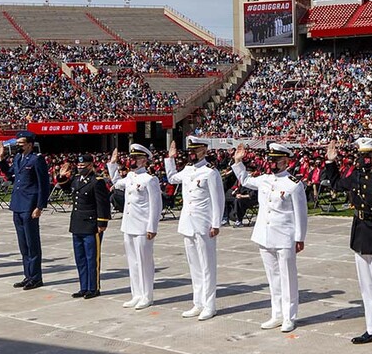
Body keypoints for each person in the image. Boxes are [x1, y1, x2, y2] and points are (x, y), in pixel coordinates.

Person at [323, 137, 372, 351]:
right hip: (360, 235)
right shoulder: (356, 176)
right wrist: (331, 163)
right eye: (362, 155)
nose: (365, 159)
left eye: (369, 155)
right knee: (367, 289)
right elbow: (337, 184)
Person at [232, 143, 308, 333]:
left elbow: (301, 213)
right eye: (271, 160)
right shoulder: (264, 180)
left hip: (284, 236)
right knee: (273, 278)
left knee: (287, 278)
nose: (273, 163)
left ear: (286, 161)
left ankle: (289, 316)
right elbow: (245, 179)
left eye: (277, 160)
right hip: (265, 235)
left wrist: (300, 237)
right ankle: (277, 314)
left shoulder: (293, 184)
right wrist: (238, 161)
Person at [165, 137, 224, 320]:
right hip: (188, 223)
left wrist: (216, 223)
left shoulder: (210, 172)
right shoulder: (188, 169)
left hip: (204, 224)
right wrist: (171, 159)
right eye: (190, 150)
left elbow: (218, 199)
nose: (192, 153)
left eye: (196, 150)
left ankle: (209, 305)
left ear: (204, 151)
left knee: (207, 267)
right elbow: (172, 178)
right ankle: (197, 302)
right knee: (194, 266)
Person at [108, 145, 163, 310]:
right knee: (132, 262)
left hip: (142, 226)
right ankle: (136, 294)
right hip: (129, 225)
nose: (131, 161)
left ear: (144, 160)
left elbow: (156, 205)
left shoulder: (149, 179)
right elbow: (117, 183)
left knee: (144, 262)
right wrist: (112, 164)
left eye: (135, 158)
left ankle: (147, 295)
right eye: (131, 157)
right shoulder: (131, 176)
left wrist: (152, 227)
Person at [0, 131, 51, 290]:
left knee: (32, 243)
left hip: (30, 205)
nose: (17, 145)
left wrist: (40, 206)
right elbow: (11, 176)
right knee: (23, 244)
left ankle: (36, 277)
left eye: (20, 143)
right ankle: (28, 275)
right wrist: (1, 160)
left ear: (29, 144)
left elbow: (43, 184)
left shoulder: (37, 159)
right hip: (18, 204)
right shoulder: (18, 158)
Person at [68, 154, 110, 300]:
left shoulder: (96, 182)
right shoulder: (75, 180)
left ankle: (93, 288)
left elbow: (102, 203)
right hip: (77, 223)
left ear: (91, 165)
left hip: (91, 225)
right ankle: (83, 287)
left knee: (92, 258)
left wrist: (102, 222)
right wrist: (61, 176)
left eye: (83, 166)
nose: (80, 168)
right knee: (80, 258)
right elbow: (66, 189)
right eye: (79, 166)